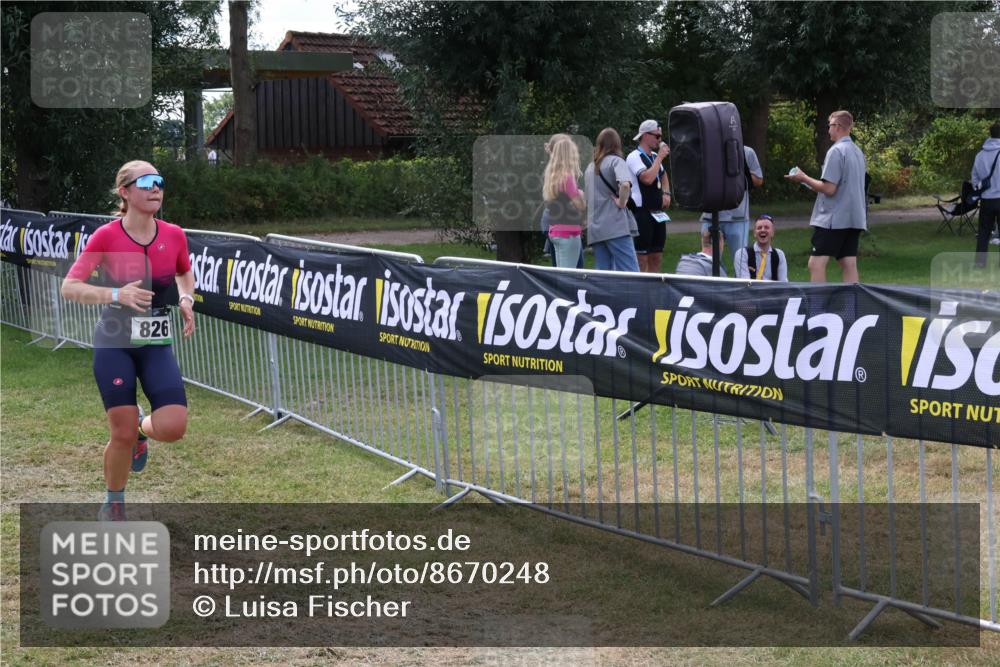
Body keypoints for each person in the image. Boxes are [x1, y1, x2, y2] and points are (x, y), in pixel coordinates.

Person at [61, 160, 196, 521]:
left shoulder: (174, 234)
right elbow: (70, 287)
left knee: (173, 426)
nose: (156, 188)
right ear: (125, 192)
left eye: (159, 181)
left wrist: (186, 298)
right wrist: (116, 294)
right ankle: (114, 503)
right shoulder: (107, 236)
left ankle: (141, 429)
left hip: (155, 343)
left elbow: (184, 272)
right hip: (114, 342)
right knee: (118, 433)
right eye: (146, 182)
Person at [786, 110, 867, 283]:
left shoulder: (836, 151)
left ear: (837, 126)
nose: (828, 129)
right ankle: (852, 301)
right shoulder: (858, 152)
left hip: (834, 219)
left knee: (816, 264)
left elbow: (829, 189)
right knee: (848, 263)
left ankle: (818, 301)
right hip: (855, 218)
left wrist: (803, 178)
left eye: (829, 125)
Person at [700, 144, 764, 274]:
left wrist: (736, 172)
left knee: (740, 263)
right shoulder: (708, 148)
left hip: (737, 218)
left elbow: (759, 180)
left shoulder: (746, 151)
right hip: (710, 216)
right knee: (709, 262)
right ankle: (717, 284)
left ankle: (738, 286)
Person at [584, 128, 640, 272]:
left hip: (595, 228)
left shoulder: (590, 167)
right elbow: (625, 185)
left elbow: (587, 199)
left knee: (604, 273)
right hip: (615, 225)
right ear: (616, 143)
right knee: (630, 271)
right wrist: (621, 202)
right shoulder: (616, 161)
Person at [626, 120, 672, 272]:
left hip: (657, 212)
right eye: (657, 136)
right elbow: (647, 179)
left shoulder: (654, 156)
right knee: (642, 257)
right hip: (642, 212)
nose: (660, 140)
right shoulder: (634, 156)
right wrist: (659, 158)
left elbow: (663, 175)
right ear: (645, 135)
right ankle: (640, 284)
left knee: (657, 255)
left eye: (660, 136)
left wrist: (666, 193)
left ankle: (653, 285)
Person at [541, 135, 586, 268]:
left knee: (561, 273)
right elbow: (580, 205)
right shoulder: (567, 178)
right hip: (569, 232)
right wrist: (580, 194)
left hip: (556, 230)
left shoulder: (553, 176)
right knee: (568, 275)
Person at [972, 121, 1000, 268]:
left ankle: (980, 263)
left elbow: (975, 180)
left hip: (986, 199)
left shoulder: (980, 155)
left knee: (984, 232)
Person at [734, 214, 788, 282]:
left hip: (773, 289)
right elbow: (744, 283)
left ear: (773, 233)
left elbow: (783, 283)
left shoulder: (779, 255)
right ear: (754, 233)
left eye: (766, 227)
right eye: (759, 228)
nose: (762, 230)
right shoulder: (742, 254)